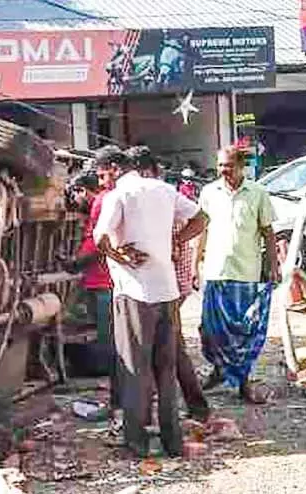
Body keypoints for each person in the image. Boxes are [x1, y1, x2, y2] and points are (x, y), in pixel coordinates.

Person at [94, 149, 208, 457]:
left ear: (114, 169)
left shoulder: (117, 196)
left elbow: (99, 238)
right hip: (166, 291)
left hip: (135, 292)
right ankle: (172, 441)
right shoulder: (163, 189)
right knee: (166, 369)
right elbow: (201, 218)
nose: (102, 181)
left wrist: (120, 257)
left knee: (134, 368)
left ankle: (137, 442)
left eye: (102, 174)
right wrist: (175, 240)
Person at [196, 146, 280, 404]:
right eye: (220, 165)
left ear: (241, 166)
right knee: (209, 329)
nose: (223, 170)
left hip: (246, 273)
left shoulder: (258, 193)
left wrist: (273, 267)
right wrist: (195, 262)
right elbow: (202, 228)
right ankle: (219, 370)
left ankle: (242, 382)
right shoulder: (209, 192)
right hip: (215, 271)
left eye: (228, 165)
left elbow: (268, 233)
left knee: (243, 332)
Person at [135, 154, 210, 421]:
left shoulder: (164, 199)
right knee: (169, 349)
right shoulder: (163, 199)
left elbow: (195, 227)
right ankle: (191, 406)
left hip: (167, 288)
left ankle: (190, 407)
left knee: (169, 350)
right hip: (167, 287)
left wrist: (173, 242)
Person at [63, 155, 119, 417]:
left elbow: (98, 245)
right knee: (113, 344)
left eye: (74, 195)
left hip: (104, 284)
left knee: (112, 346)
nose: (75, 202)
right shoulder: (102, 204)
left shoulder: (100, 203)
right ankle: (122, 399)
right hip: (103, 283)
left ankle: (119, 402)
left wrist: (73, 264)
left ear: (82, 190)